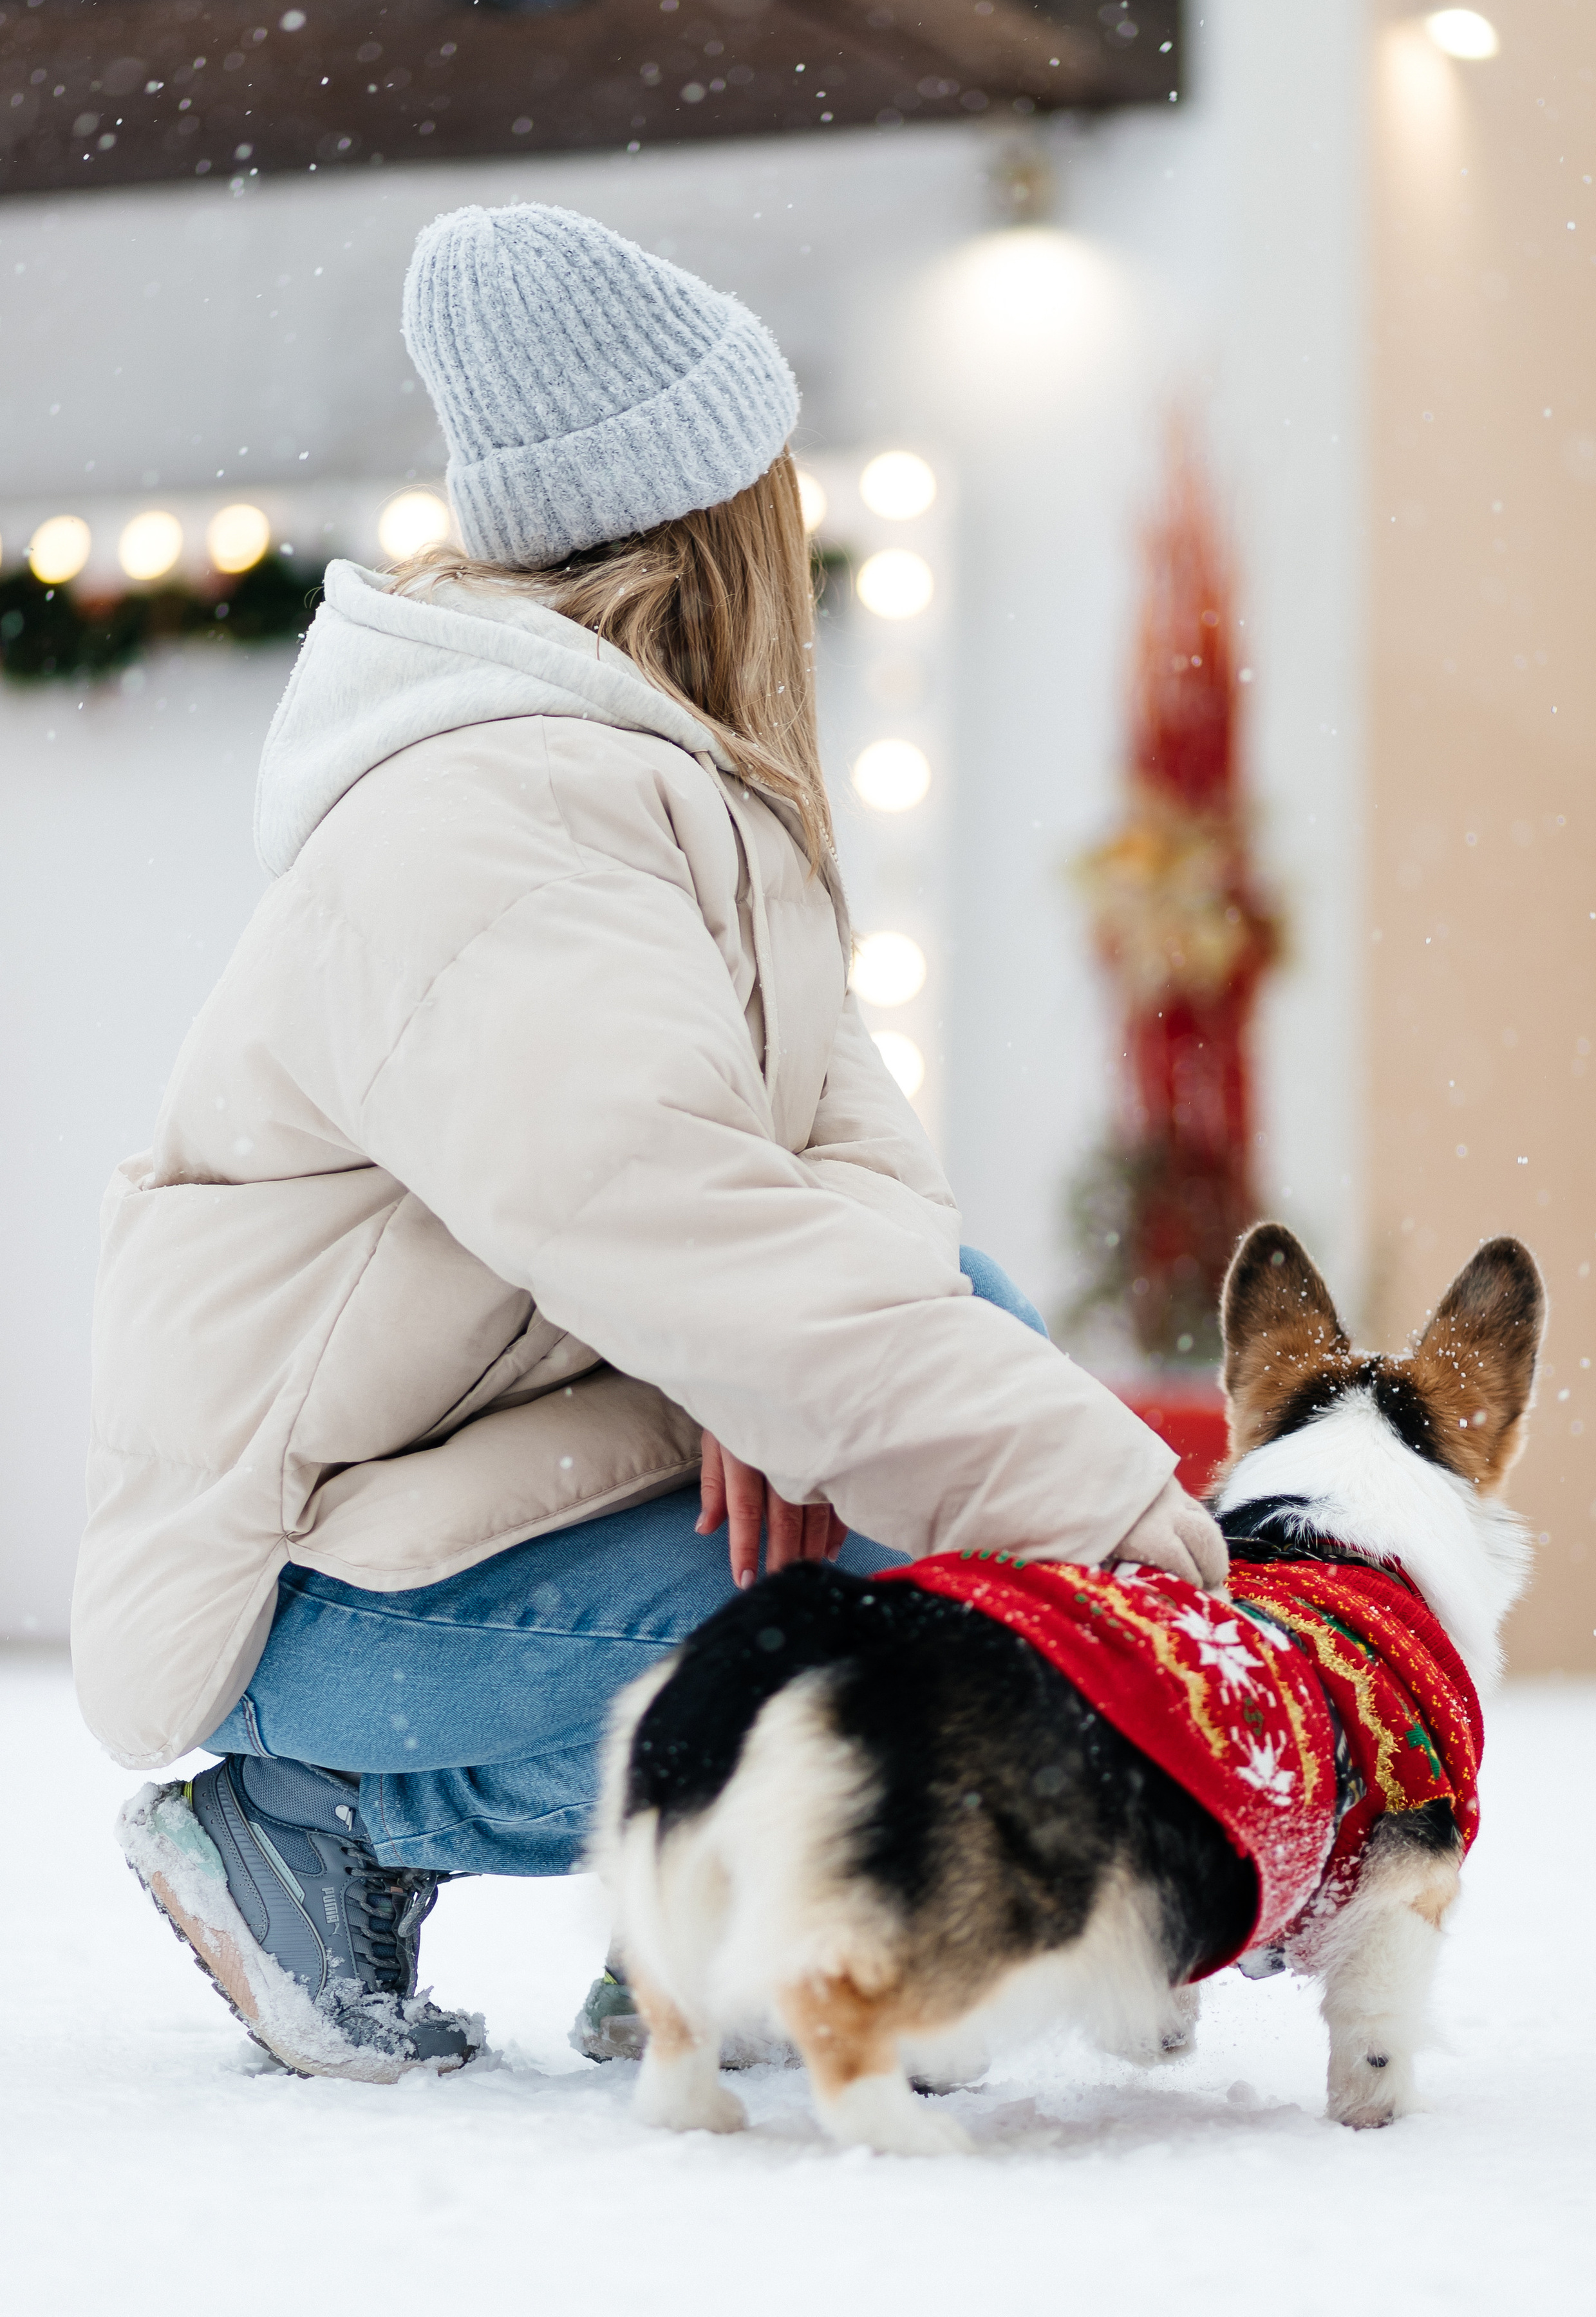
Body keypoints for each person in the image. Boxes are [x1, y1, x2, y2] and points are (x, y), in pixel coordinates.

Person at [78, 204, 1226, 2081]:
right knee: (857, 1612)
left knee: (952, 1325)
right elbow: (675, 1218)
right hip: (299, 1597)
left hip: (449, 1487)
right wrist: (1124, 1535)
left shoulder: (670, 787)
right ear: (714, 517)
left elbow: (861, 1192)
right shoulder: (488, 816)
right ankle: (307, 1828)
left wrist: (762, 1389)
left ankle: (698, 1912)